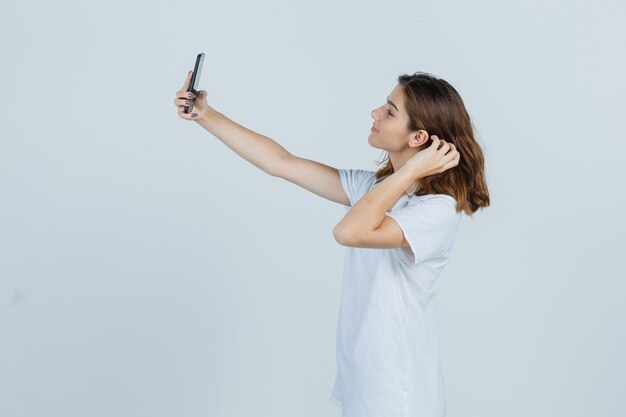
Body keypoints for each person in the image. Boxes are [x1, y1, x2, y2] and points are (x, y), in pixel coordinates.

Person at [174, 70, 490, 417]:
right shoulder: (374, 189)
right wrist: (205, 114)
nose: (375, 113)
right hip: (363, 382)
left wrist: (409, 172)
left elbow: (349, 232)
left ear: (418, 137)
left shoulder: (436, 210)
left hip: (401, 393)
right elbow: (280, 163)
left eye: (389, 111)